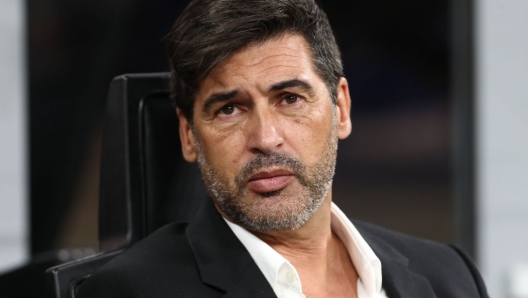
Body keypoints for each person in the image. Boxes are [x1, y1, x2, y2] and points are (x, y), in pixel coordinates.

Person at [77, 0, 489, 297]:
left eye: (290, 98)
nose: (265, 138)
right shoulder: (133, 291)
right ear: (188, 136)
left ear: (341, 108)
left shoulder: (449, 277)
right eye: (229, 109)